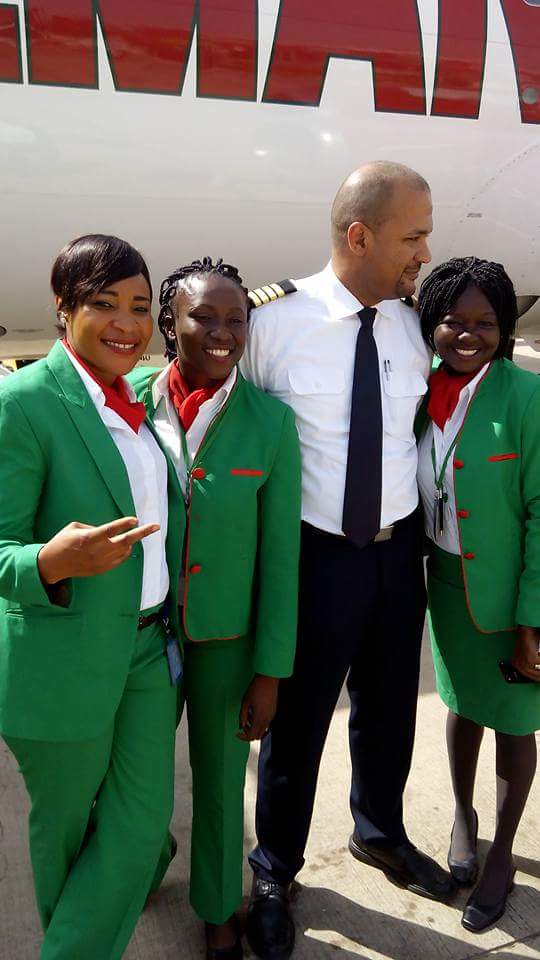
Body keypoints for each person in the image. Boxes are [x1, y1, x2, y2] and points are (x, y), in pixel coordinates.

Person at [240, 160, 455, 960]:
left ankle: (380, 831)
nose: (424, 254)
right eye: (413, 237)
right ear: (359, 236)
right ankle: (274, 869)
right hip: (313, 559)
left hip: (396, 558)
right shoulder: (272, 324)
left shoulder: (413, 325)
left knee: (391, 707)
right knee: (296, 723)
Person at [0, 234, 185, 960]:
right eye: (104, 304)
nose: (127, 324)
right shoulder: (24, 404)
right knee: (68, 831)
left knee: (141, 822)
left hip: (148, 651)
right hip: (63, 658)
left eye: (140, 307)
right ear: (64, 307)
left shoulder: (136, 396)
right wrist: (50, 560)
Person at [128, 257, 301, 960]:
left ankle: (218, 905)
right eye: (204, 316)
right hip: (143, 633)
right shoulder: (128, 404)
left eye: (237, 318)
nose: (223, 331)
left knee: (222, 785)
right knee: (136, 778)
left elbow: (281, 560)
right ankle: (144, 859)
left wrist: (270, 671)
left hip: (227, 642)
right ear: (170, 324)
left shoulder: (270, 423)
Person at [416, 257, 540, 932]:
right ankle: (462, 815)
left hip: (510, 593)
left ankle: (502, 856)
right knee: (462, 704)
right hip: (446, 583)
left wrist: (533, 616)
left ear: (505, 327)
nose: (468, 334)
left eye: (485, 322)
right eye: (452, 321)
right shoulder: (420, 391)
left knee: (515, 721)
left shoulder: (526, 397)